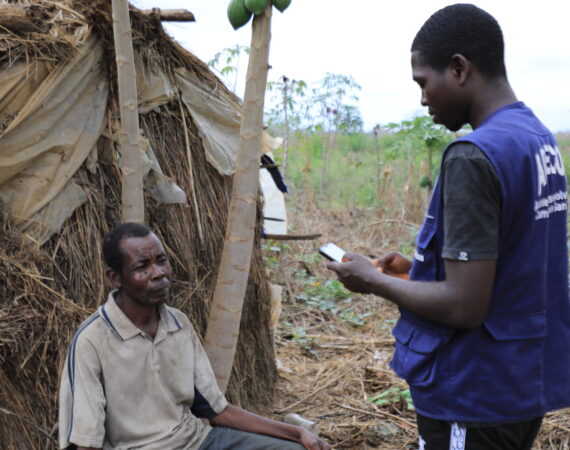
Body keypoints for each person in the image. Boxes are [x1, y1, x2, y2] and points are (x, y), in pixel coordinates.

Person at [326, 4, 570, 450]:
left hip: (475, 391)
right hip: (520, 381)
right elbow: (511, 259)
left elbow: (463, 306)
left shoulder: (473, 155)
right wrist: (410, 269)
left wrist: (371, 282)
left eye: (423, 82)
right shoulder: (538, 139)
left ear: (458, 69)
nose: (423, 99)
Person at [59, 222, 331, 450]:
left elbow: (216, 411)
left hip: (197, 442)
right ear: (115, 277)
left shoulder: (178, 324)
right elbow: (86, 442)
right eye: (143, 266)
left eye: (162, 261)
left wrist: (294, 434)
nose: (159, 273)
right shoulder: (92, 341)